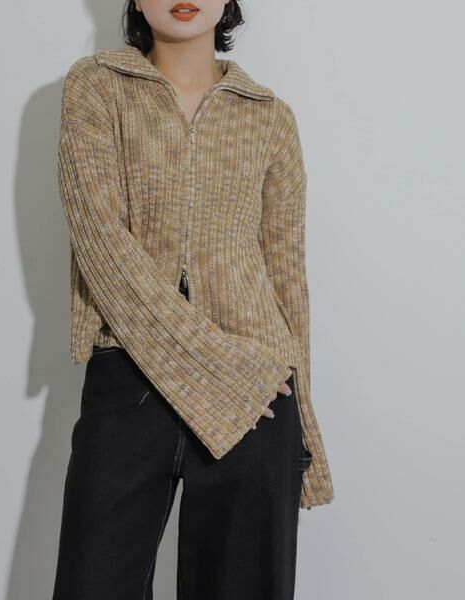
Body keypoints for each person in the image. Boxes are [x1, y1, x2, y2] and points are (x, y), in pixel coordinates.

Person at [51, 1, 334, 598]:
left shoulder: (270, 115)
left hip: (259, 397)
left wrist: (305, 433)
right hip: (133, 377)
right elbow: (100, 242)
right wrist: (217, 365)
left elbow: (288, 278)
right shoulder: (98, 86)